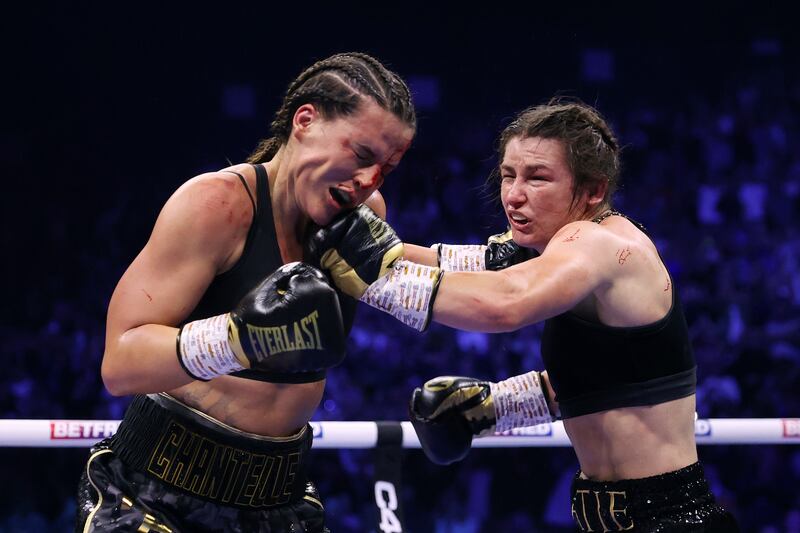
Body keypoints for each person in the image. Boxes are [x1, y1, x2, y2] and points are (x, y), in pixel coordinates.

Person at [307, 100, 740, 531]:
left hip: (669, 520)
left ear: (593, 190)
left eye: (538, 178)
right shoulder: (575, 248)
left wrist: (374, 276)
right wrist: (497, 407)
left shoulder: (596, 243)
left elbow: (506, 302)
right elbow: (607, 377)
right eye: (509, 175)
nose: (514, 195)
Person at [75, 52, 416, 533]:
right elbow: (119, 362)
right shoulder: (216, 205)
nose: (368, 181)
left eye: (387, 167)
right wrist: (240, 339)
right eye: (361, 155)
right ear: (305, 121)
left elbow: (427, 281)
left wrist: (507, 258)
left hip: (280, 498)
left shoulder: (362, 214)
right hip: (158, 492)